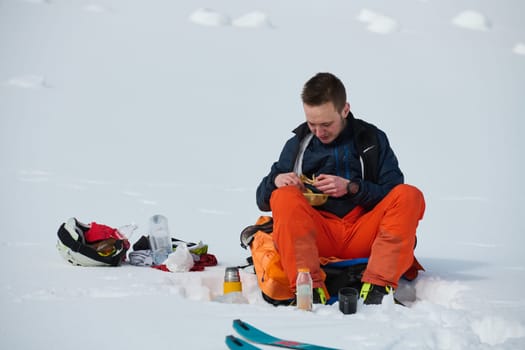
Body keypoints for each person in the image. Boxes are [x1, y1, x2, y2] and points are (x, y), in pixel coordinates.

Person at [255, 72, 426, 305]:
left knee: (410, 195)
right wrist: (275, 181)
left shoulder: (371, 139)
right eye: (312, 124)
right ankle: (309, 287)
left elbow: (393, 192)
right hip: (317, 236)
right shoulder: (298, 144)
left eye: (326, 124)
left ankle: (378, 285)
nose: (319, 132)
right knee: (283, 196)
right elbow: (262, 199)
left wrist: (352, 188)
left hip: (364, 232)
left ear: (344, 110)